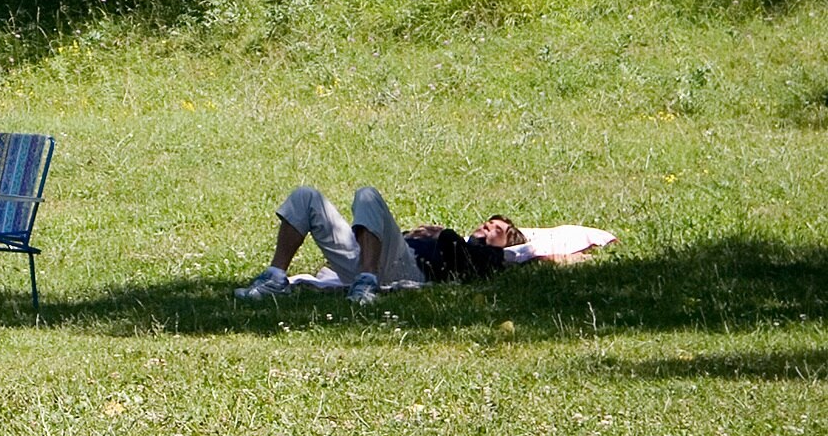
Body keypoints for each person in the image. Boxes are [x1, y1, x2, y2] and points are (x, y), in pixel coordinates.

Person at [236, 185, 613, 304]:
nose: (488, 226)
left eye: (497, 228)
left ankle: (366, 283)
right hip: (372, 258)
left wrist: (563, 256)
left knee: (367, 194)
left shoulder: (491, 255)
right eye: (487, 221)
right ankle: (275, 278)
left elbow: (531, 252)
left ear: (506, 242)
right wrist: (420, 234)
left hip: (406, 270)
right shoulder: (446, 237)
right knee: (306, 196)